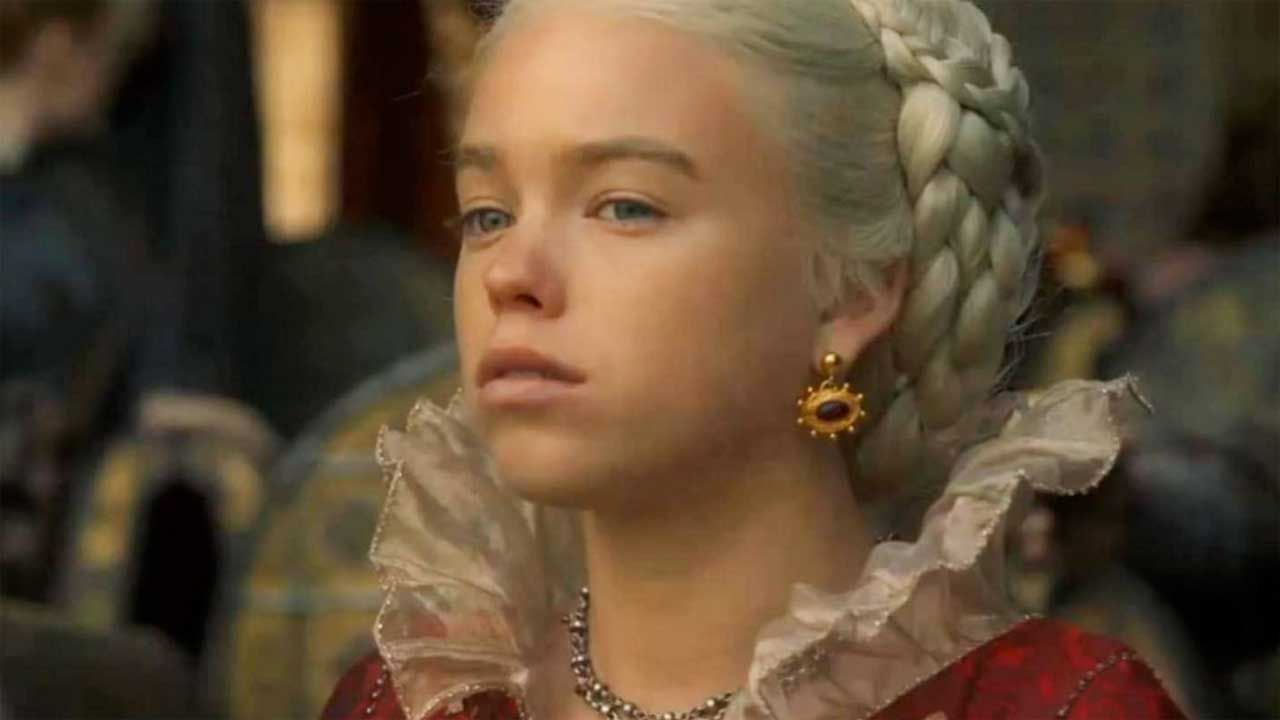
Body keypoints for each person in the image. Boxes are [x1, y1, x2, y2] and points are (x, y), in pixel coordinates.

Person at [321, 1, 1187, 718]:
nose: (510, 274)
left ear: (852, 292)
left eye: (625, 206)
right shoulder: (410, 706)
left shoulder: (1057, 709)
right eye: (488, 215)